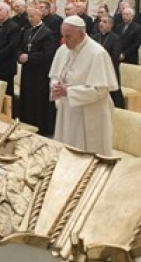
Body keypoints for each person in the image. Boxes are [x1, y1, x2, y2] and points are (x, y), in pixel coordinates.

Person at [48, 15, 119, 156]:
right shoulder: (63, 50)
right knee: (67, 150)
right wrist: (55, 86)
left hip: (91, 112)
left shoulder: (97, 53)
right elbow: (55, 76)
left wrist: (69, 91)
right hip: (67, 109)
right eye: (63, 35)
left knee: (88, 154)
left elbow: (100, 90)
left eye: (68, 36)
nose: (64, 40)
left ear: (81, 34)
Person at [17, 6, 57, 136]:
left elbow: (48, 54)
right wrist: (19, 56)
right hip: (27, 71)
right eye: (28, 16)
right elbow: (20, 47)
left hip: (40, 72)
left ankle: (41, 127)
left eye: (32, 16)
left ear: (40, 16)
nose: (29, 19)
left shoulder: (47, 33)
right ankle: (28, 124)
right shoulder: (27, 31)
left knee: (38, 99)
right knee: (27, 97)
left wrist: (29, 57)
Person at [91, 15, 125, 108]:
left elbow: (115, 56)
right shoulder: (94, 37)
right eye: (101, 21)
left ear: (111, 25)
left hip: (110, 69)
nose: (101, 24)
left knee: (114, 94)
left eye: (105, 22)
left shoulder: (116, 38)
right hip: (96, 70)